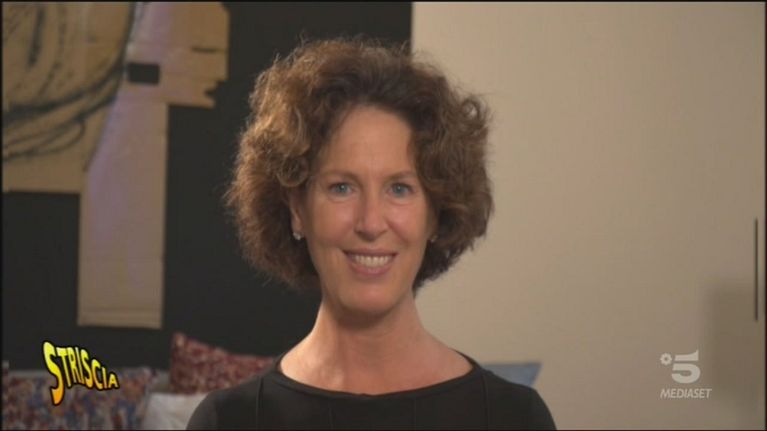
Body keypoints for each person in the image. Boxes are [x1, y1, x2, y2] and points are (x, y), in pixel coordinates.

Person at [188, 37, 556, 430]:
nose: (371, 223)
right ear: (297, 209)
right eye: (341, 187)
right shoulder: (229, 420)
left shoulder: (512, 417)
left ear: (436, 212)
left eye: (399, 188)